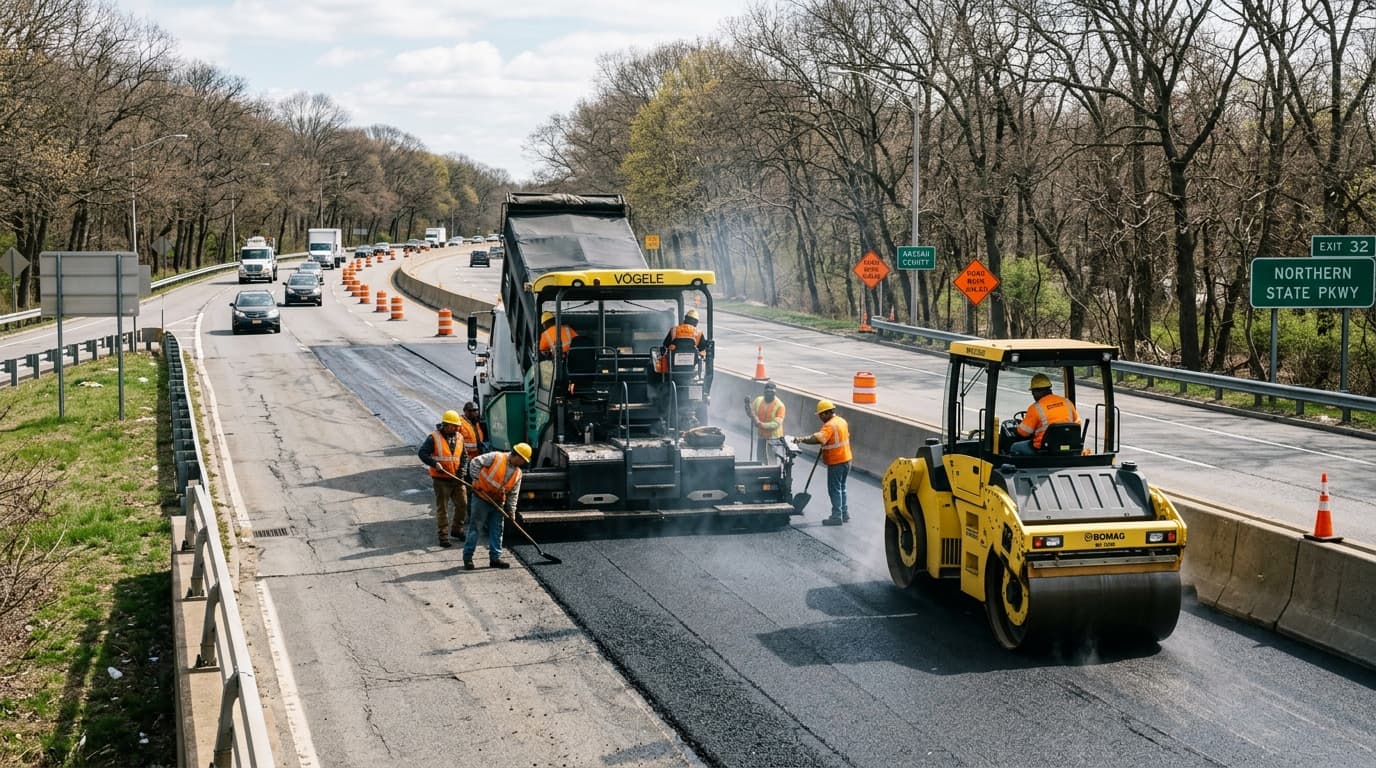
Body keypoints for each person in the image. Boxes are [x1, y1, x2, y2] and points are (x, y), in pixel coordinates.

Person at [463, 442, 531, 570]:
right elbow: (475, 462)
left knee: (497, 530)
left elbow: (513, 494)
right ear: (518, 456)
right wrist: (476, 480)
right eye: (523, 460)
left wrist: (511, 512)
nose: (523, 463)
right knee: (475, 528)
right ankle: (468, 558)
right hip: (481, 498)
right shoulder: (496, 457)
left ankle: (495, 558)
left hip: (498, 503)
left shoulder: (518, 473)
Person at [795, 400, 851, 526]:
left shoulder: (829, 425)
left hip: (836, 462)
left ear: (826, 413)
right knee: (842, 487)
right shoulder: (842, 421)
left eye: (821, 415)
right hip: (847, 459)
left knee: (834, 489)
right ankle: (844, 513)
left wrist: (801, 439)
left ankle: (837, 516)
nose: (820, 417)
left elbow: (818, 438)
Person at [417, 410, 466, 547]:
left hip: (456, 479)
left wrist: (461, 471)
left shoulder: (459, 437)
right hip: (441, 480)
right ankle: (443, 536)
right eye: (454, 426)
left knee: (462, 505)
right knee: (442, 508)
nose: (457, 428)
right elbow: (422, 453)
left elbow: (464, 457)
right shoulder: (434, 438)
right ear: (446, 425)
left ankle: (457, 529)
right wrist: (434, 463)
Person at [1009, 373, 1080, 455]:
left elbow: (1023, 433)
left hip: (1044, 450)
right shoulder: (1067, 402)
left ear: (1037, 391)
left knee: (1015, 447)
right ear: (1049, 389)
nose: (1033, 395)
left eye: (1033, 392)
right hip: (1068, 448)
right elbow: (1077, 423)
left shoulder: (1035, 408)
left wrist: (1016, 429)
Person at [655, 308, 704, 374]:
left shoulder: (674, 330)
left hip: (672, 367)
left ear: (685, 319)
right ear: (696, 322)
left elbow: (665, 344)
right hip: (690, 367)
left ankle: (661, 377)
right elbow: (702, 350)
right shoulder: (699, 333)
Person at [750, 381, 786, 465]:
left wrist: (760, 424)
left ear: (775, 392)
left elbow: (776, 424)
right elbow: (752, 412)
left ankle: (771, 476)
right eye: (767, 392)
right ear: (764, 392)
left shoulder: (780, 406)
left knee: (772, 460)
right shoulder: (758, 401)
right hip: (762, 435)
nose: (769, 394)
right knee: (760, 458)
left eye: (771, 392)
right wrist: (751, 415)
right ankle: (760, 472)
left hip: (774, 438)